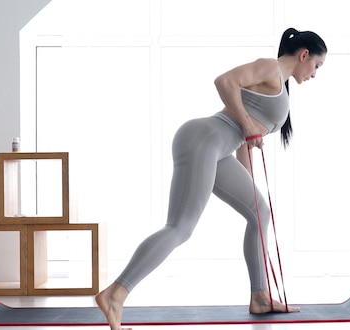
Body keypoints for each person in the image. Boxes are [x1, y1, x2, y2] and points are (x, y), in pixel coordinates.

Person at [96, 27, 327, 330]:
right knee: (180, 227)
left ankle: (259, 296)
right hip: (203, 139)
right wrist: (246, 124)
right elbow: (224, 82)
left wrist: (249, 183)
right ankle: (116, 293)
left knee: (260, 212)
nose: (314, 74)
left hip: (220, 149)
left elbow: (244, 141)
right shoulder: (269, 67)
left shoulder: (280, 85)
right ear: (304, 55)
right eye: (317, 66)